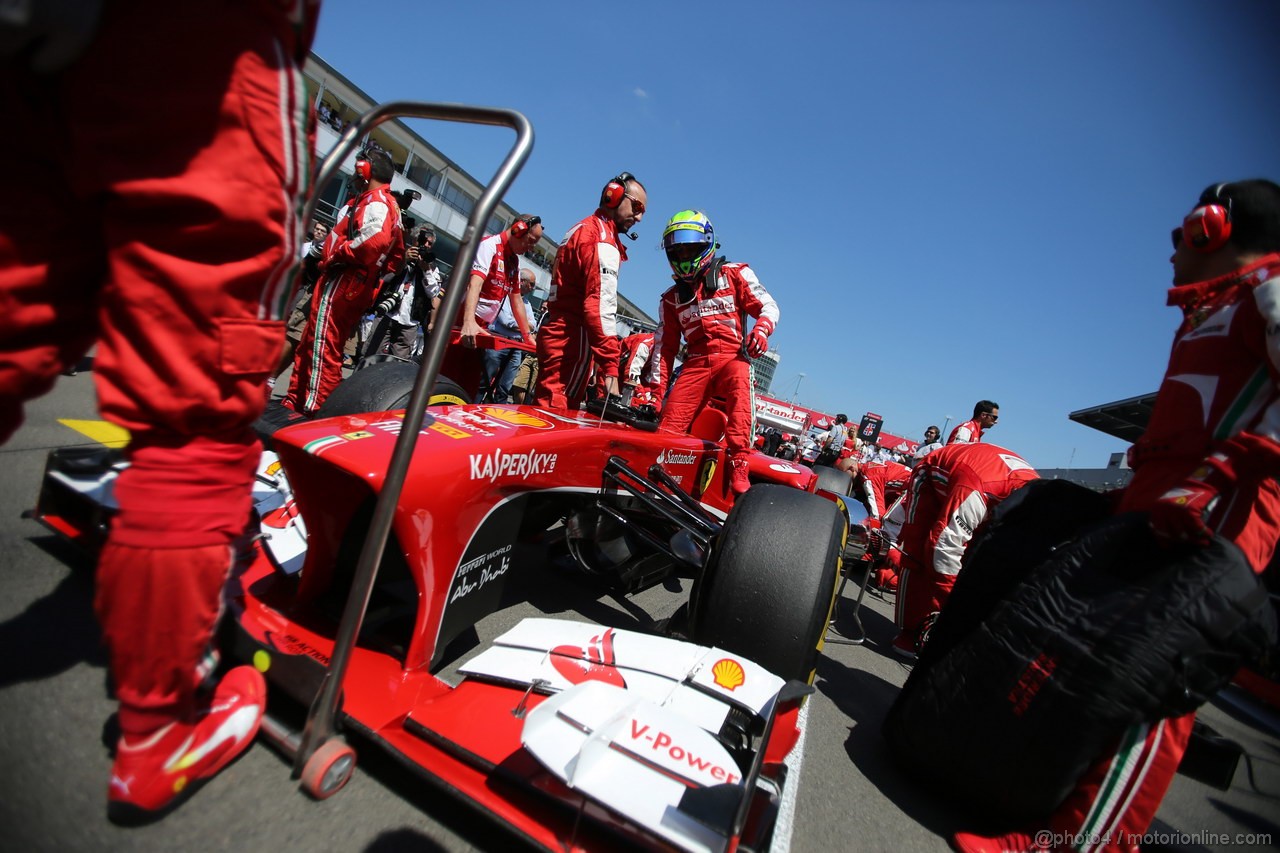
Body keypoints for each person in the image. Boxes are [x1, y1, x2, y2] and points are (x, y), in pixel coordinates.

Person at [0, 1, 319, 824]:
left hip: (32, 37)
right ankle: (156, 732)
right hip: (196, 45)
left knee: (10, 324)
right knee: (198, 408)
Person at [953, 179, 1280, 853]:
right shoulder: (1211, 309)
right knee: (1099, 664)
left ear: (1209, 229)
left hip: (1217, 513)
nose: (1167, 252)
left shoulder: (1268, 290)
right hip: (1163, 503)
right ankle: (1054, 815)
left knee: (1154, 678)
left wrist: (1221, 474)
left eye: (1175, 235)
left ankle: (1079, 844)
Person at [650, 210, 780, 495]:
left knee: (739, 375)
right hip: (695, 363)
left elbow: (769, 307)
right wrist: (655, 394)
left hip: (732, 357)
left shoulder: (735, 274)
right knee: (668, 425)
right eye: (678, 249)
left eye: (690, 247)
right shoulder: (670, 299)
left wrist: (761, 331)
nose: (684, 254)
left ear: (707, 243)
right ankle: (660, 471)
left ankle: (739, 463)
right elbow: (664, 349)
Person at [891, 442, 1039, 660]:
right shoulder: (979, 488)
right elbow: (944, 548)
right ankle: (909, 632)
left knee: (971, 558)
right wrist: (957, 603)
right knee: (919, 553)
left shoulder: (1038, 499)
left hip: (977, 481)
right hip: (934, 480)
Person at [285, 147, 404, 414]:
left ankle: (317, 409)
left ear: (366, 170)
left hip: (345, 279)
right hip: (347, 279)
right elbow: (393, 258)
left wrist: (337, 253)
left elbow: (376, 242)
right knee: (312, 341)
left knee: (324, 346)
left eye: (357, 166)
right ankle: (295, 398)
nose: (354, 172)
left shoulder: (377, 202)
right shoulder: (380, 202)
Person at [534, 172, 646, 410]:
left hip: (560, 335)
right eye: (636, 207)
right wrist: (611, 368)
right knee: (555, 418)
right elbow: (600, 308)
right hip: (570, 342)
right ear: (613, 196)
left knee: (543, 412)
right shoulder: (601, 239)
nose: (639, 217)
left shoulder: (582, 227)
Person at [459, 214, 541, 349]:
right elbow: (475, 284)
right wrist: (468, 321)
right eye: (531, 241)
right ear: (518, 230)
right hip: (461, 321)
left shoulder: (514, 262)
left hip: (483, 327)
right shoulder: (488, 246)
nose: (531, 248)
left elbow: (516, 300)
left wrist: (527, 336)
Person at [367, 224, 441, 362]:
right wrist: (403, 259)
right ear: (414, 239)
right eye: (422, 240)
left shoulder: (431, 267)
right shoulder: (399, 253)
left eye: (429, 243)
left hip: (409, 321)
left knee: (398, 364)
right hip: (387, 313)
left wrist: (426, 271)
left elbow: (433, 293)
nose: (426, 245)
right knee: (372, 355)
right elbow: (384, 276)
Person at [272, 218, 332, 388]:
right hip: (303, 290)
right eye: (317, 229)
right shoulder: (310, 247)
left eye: (323, 230)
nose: (319, 232)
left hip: (326, 297)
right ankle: (267, 380)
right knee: (291, 334)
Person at [479, 267, 536, 402]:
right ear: (521, 282)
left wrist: (520, 323)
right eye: (531, 284)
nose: (533, 288)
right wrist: (524, 324)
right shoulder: (504, 296)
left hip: (515, 346)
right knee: (484, 382)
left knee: (504, 387)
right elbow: (506, 321)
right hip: (498, 342)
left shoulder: (527, 304)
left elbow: (533, 325)